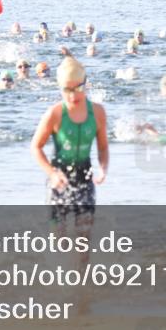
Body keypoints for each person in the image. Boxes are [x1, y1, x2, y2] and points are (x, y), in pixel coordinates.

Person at [31, 57, 109, 227]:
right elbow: (36, 147)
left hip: (85, 179)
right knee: (59, 238)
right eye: (67, 90)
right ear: (61, 89)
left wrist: (103, 169)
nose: (73, 95)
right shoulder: (55, 114)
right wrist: (52, 173)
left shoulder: (97, 112)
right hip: (58, 179)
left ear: (85, 84)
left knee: (84, 237)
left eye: (78, 88)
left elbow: (102, 147)